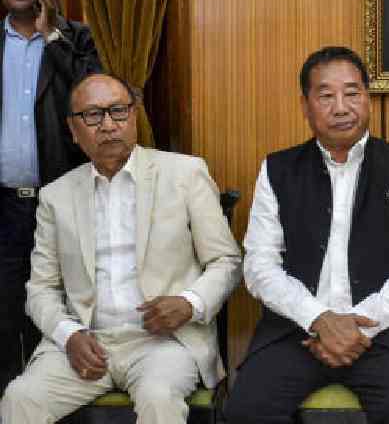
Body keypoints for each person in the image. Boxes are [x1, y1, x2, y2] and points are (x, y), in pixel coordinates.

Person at [0, 73, 242, 423]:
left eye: (118, 111)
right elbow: (41, 289)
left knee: (159, 398)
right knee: (20, 398)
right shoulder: (56, 196)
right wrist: (69, 335)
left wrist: (189, 303)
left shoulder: (185, 174)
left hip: (163, 343)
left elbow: (227, 261)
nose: (108, 125)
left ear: (134, 116)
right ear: (73, 128)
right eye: (93, 115)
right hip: (85, 342)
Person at [225, 46, 389, 424]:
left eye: (352, 93)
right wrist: (319, 319)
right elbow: (259, 265)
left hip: (382, 336)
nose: (341, 107)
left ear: (368, 99)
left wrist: (354, 325)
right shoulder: (278, 169)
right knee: (247, 411)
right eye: (326, 96)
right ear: (306, 105)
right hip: (296, 331)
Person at [0, 0, 102, 394]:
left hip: (62, 203)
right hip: (4, 209)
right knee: (5, 322)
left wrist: (52, 34)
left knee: (62, 317)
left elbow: (90, 105)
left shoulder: (77, 39)